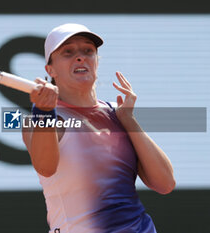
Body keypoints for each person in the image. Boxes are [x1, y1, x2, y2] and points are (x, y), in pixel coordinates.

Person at [22, 23, 176, 233]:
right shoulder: (36, 120)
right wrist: (43, 111)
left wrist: (128, 120)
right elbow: (45, 167)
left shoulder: (119, 113)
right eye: (68, 52)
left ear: (96, 61)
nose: (80, 57)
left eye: (88, 51)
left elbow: (165, 183)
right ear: (50, 69)